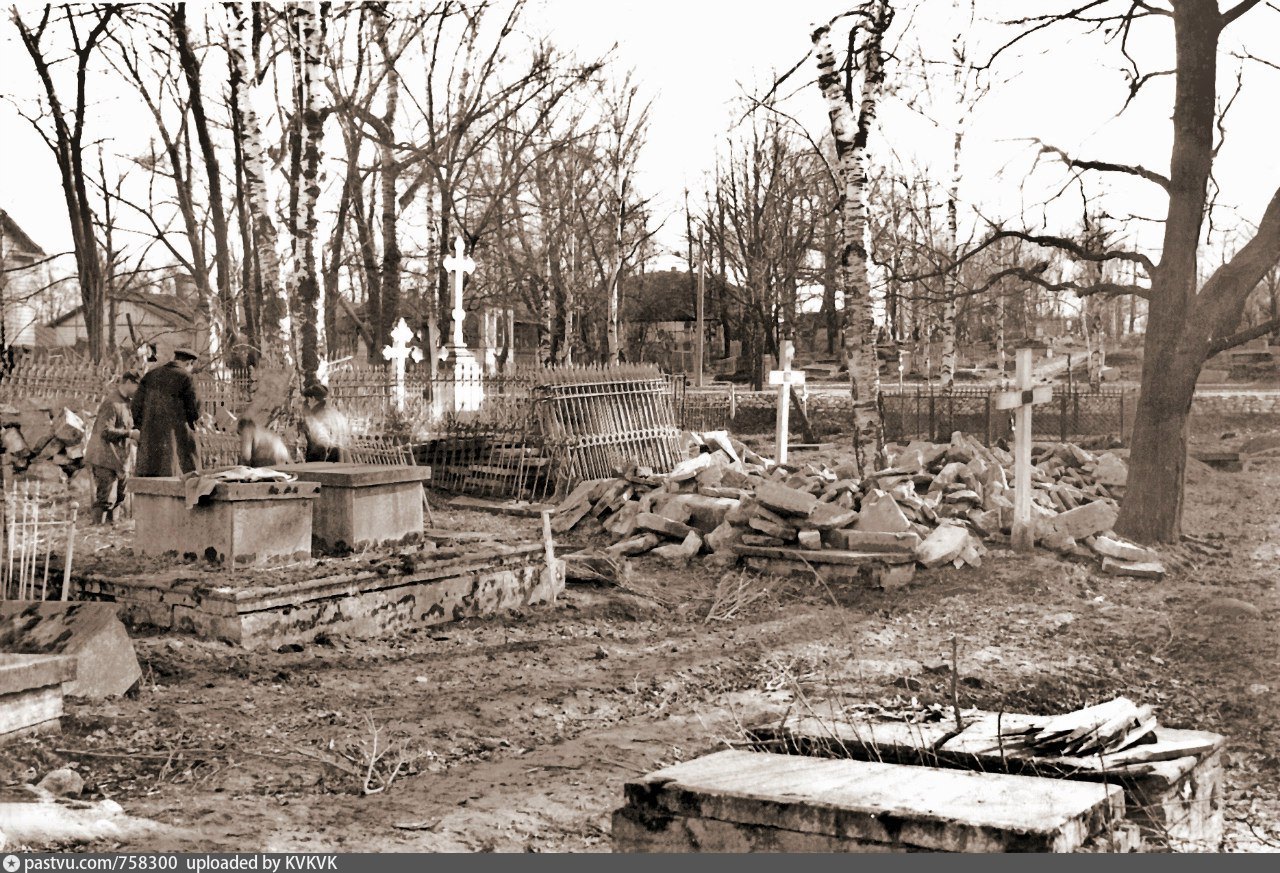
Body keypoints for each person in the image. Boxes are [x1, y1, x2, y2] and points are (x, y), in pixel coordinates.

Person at [131, 347, 201, 477]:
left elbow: (135, 406)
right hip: (175, 439)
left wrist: (142, 426)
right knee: (180, 476)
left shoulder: (150, 375)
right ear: (189, 363)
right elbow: (194, 409)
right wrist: (193, 424)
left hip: (149, 441)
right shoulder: (186, 377)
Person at [84, 371, 141, 524]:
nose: (138, 390)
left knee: (121, 496)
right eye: (137, 385)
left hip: (120, 457)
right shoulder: (111, 403)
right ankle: (97, 529)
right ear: (128, 382)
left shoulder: (127, 403)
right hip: (104, 456)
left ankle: (111, 527)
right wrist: (129, 433)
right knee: (106, 498)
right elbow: (104, 430)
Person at [299, 384, 351, 462]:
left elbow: (322, 444)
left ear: (313, 398)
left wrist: (314, 465)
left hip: (327, 462)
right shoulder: (335, 413)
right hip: (341, 458)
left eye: (307, 399)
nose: (308, 403)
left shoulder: (318, 416)